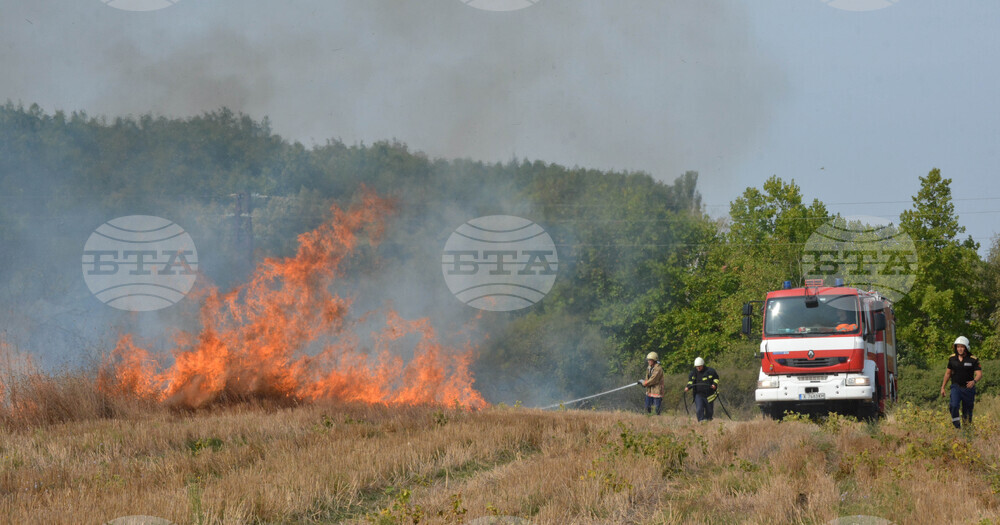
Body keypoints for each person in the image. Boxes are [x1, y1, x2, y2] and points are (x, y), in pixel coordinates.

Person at [940, 336, 982, 429]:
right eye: (958, 346)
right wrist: (943, 387)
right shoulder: (952, 359)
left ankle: (966, 431)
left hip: (968, 389)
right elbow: (947, 374)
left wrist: (974, 381)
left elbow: (979, 374)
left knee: (967, 412)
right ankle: (957, 427)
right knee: (954, 405)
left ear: (966, 347)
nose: (960, 349)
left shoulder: (973, 359)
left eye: (962, 347)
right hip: (956, 387)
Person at [686, 357, 720, 422]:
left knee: (709, 410)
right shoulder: (693, 373)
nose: (698, 368)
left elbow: (716, 378)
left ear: (703, 365)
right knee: (699, 409)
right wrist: (688, 387)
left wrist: (714, 384)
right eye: (697, 367)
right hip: (698, 394)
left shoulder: (710, 371)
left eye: (699, 366)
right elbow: (690, 382)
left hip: (709, 395)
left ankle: (708, 420)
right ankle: (701, 421)